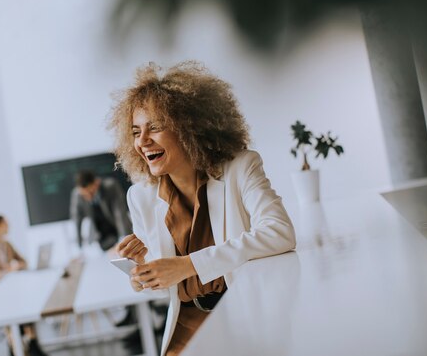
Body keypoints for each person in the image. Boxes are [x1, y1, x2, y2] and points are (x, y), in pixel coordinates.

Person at [111, 61, 296, 356]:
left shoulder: (241, 168)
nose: (142, 142)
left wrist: (188, 265)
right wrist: (143, 273)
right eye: (135, 132)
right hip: (188, 323)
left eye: (155, 127)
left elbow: (279, 233)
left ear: (189, 127)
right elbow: (164, 289)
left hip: (246, 315)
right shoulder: (140, 197)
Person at [0, 215, 48, 356]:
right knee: (19, 308)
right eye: (5, 224)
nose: (8, 226)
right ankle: (22, 345)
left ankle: (27, 344)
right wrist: (6, 272)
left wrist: (17, 266)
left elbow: (24, 261)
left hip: (10, 292)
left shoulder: (6, 245)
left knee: (26, 305)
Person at [70, 170, 132, 251]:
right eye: (85, 195)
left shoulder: (111, 186)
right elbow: (76, 219)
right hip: (100, 236)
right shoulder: (77, 194)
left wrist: (123, 240)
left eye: (91, 192)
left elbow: (119, 213)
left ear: (97, 182)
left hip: (118, 229)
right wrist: (79, 246)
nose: (88, 197)